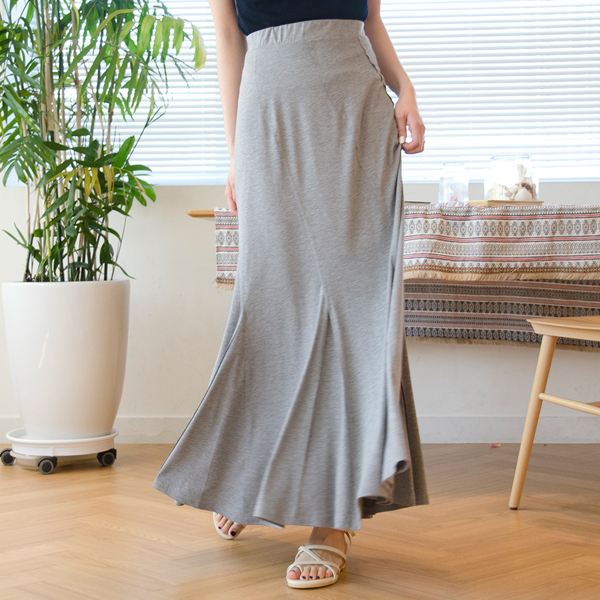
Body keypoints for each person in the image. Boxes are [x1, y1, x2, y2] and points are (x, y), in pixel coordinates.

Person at [153, 0, 429, 590]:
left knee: (356, 310)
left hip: (354, 113)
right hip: (269, 114)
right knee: (270, 306)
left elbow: (371, 20)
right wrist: (237, 154)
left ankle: (334, 520)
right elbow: (229, 40)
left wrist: (404, 88)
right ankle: (256, 478)